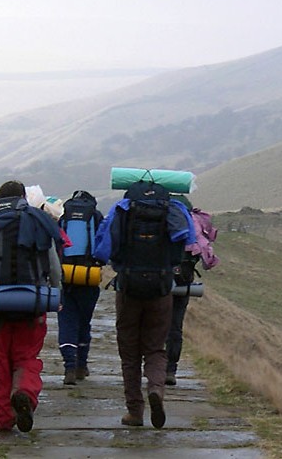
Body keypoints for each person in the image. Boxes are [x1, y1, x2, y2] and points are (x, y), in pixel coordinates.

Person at [0, 180, 62, 433]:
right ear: (24, 198)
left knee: (1, 364)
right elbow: (53, 267)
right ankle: (23, 392)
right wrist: (57, 295)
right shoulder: (39, 220)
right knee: (27, 358)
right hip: (33, 305)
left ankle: (3, 419)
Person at [94, 180, 195, 428]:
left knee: (129, 354)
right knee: (155, 348)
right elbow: (189, 240)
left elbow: (102, 249)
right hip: (161, 289)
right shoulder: (173, 210)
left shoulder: (122, 210)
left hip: (128, 288)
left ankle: (135, 412)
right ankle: (156, 390)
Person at [165, 196, 219, 386]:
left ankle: (152, 366)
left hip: (158, 279)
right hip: (183, 281)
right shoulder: (195, 221)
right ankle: (170, 369)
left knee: (153, 323)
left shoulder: (162, 218)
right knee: (175, 326)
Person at [58, 190, 105, 385]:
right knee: (84, 321)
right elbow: (103, 245)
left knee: (67, 320)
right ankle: (81, 365)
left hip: (66, 274)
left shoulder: (64, 218)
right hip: (89, 275)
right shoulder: (96, 217)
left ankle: (69, 365)